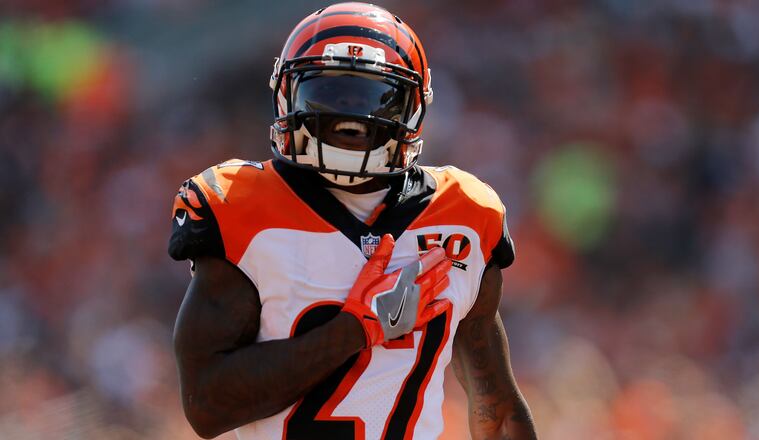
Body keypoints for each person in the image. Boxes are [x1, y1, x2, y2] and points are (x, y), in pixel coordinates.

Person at [169, 3, 538, 439]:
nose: (352, 118)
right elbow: (206, 408)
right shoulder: (242, 208)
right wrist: (354, 331)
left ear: (413, 109)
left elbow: (493, 401)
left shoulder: (465, 215)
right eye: (329, 95)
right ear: (288, 94)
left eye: (375, 99)